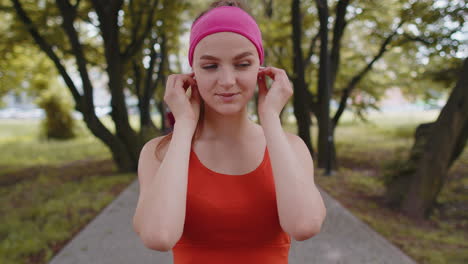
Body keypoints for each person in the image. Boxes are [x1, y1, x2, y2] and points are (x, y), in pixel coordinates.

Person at [133, 1, 327, 263]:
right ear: (193, 74)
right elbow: (158, 237)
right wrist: (185, 126)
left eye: (242, 64)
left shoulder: (290, 147)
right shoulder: (159, 152)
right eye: (210, 66)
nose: (226, 80)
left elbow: (304, 225)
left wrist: (270, 118)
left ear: (261, 69)